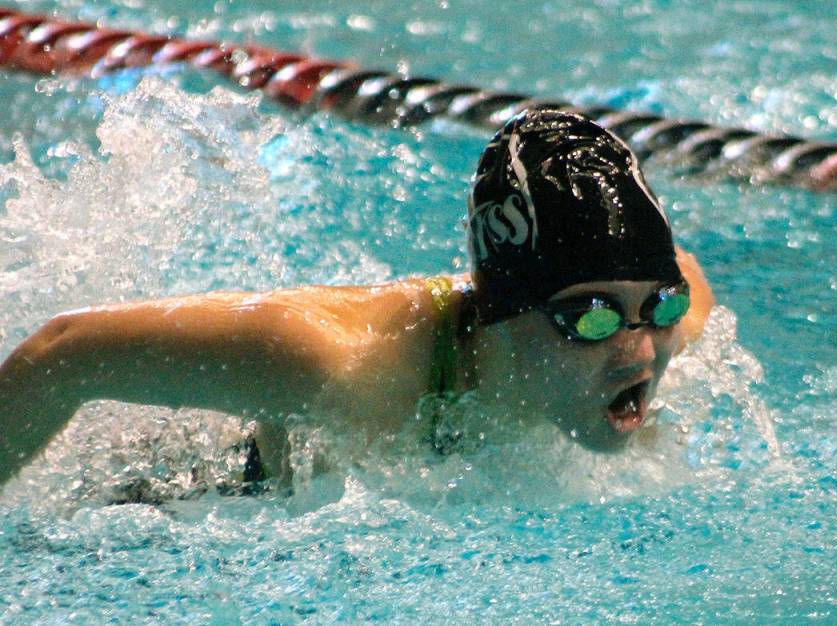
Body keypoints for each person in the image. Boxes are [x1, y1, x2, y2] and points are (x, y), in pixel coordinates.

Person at [0, 109, 713, 488]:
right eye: (590, 318)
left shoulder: (661, 321)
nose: (639, 353)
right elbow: (67, 350)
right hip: (195, 482)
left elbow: (685, 275)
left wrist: (643, 304)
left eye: (660, 307)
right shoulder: (341, 365)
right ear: (505, 308)